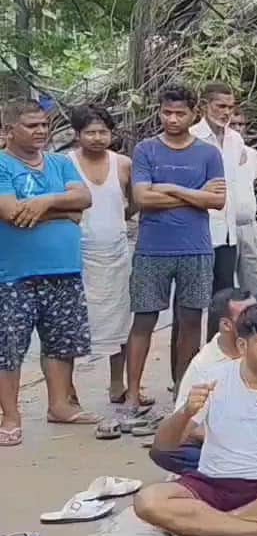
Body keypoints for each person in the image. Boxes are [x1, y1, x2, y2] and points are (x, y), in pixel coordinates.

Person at [134, 304, 257, 536]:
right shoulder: (214, 375)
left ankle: (207, 529)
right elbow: (164, 445)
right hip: (213, 481)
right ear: (242, 346)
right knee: (148, 501)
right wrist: (185, 412)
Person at [0, 99, 97, 445]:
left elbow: (84, 199)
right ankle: (10, 417)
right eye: (31, 125)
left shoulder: (59, 162)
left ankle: (60, 405)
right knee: (8, 346)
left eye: (44, 125)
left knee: (61, 341)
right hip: (13, 274)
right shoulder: (1, 165)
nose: (41, 131)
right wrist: (63, 209)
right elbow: (11, 212)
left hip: (65, 269)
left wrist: (43, 203)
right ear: (9, 130)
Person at [128, 84, 226, 407]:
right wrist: (195, 195)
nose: (172, 119)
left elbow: (217, 200)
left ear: (193, 114)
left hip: (196, 249)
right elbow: (142, 198)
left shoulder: (209, 153)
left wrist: (167, 188)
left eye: (179, 113)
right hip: (151, 250)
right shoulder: (146, 149)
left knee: (190, 322)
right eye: (166, 112)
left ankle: (183, 394)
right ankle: (132, 396)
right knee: (143, 320)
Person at [151, 288, 257, 476]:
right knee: (165, 451)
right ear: (227, 325)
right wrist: (230, 438)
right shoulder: (204, 365)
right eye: (249, 316)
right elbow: (187, 425)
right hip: (227, 443)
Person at [68, 105, 136, 406]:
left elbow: (133, 203)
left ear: (111, 134)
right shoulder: (64, 164)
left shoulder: (123, 164)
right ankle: (67, 390)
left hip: (116, 251)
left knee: (121, 319)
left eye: (103, 132)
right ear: (77, 135)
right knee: (70, 321)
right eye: (90, 132)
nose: (97, 138)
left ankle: (116, 383)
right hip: (76, 252)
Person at [192, 82, 246, 336]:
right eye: (220, 106)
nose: (226, 112)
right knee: (190, 304)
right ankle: (186, 368)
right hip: (199, 232)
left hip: (228, 233)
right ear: (204, 106)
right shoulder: (192, 137)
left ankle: (218, 354)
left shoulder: (235, 139)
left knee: (223, 301)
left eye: (230, 107)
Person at [227, 109, 257, 294]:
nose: (237, 128)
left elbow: (250, 184)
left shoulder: (252, 154)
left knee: (256, 280)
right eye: (233, 124)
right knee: (223, 285)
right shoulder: (212, 152)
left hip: (250, 225)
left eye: (241, 124)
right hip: (224, 226)